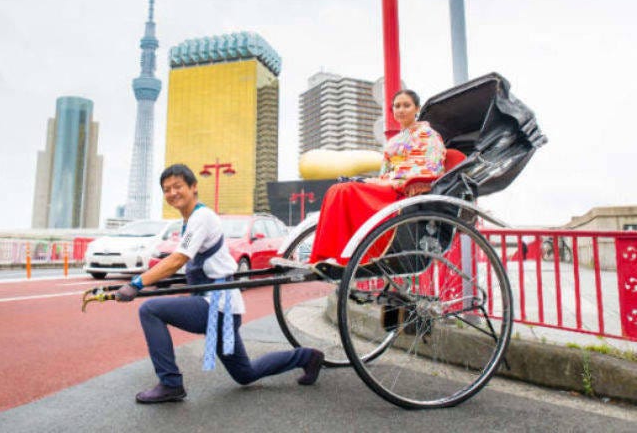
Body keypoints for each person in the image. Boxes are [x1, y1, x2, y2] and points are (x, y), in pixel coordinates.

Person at [116, 164, 324, 404]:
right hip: (221, 308)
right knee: (245, 374)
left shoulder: (201, 217)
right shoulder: (190, 221)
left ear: (193, 187)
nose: (172, 193)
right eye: (166, 189)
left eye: (177, 186)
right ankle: (307, 357)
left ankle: (170, 383)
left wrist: (137, 283)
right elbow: (188, 265)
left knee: (150, 310)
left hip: (218, 306)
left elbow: (178, 259)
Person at [309, 90, 446, 266]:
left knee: (345, 191)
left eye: (406, 105)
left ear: (417, 109)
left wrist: (401, 182)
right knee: (336, 189)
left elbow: (430, 166)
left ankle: (345, 257)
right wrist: (377, 181)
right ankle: (330, 255)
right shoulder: (395, 140)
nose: (401, 110)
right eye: (397, 106)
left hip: (406, 189)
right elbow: (385, 171)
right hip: (389, 185)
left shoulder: (428, 135)